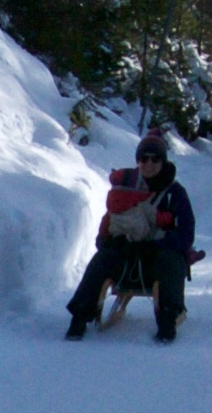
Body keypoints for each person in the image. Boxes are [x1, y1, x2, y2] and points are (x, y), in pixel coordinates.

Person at [66, 127, 197, 342]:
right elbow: (109, 223)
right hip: (128, 259)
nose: (149, 164)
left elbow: (185, 233)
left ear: (163, 161)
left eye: (155, 159)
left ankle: (167, 319)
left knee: (171, 262)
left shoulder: (175, 193)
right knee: (102, 259)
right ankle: (79, 315)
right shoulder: (127, 187)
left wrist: (158, 245)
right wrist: (111, 241)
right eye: (144, 159)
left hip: (157, 258)